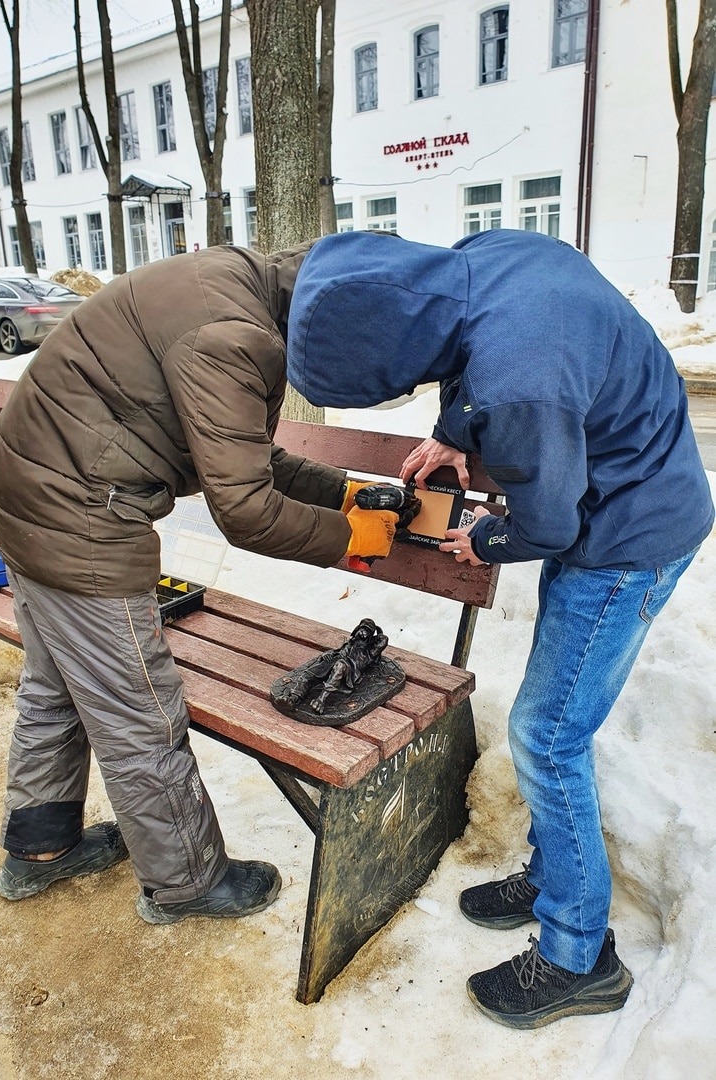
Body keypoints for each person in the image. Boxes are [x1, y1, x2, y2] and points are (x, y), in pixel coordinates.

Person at [285, 227, 714, 1028]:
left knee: (548, 735)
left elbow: (546, 525)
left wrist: (484, 540)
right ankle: (559, 878)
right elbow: (477, 352)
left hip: (630, 538)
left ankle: (577, 955)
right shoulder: (487, 258)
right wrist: (454, 429)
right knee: (550, 725)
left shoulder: (525, 382)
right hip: (616, 501)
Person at [0, 244, 399, 926]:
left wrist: (343, 489)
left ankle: (41, 847)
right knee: (140, 713)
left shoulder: (238, 283)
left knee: (57, 687)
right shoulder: (233, 338)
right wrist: (348, 539)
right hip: (78, 519)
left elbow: (244, 458)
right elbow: (245, 508)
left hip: (31, 496)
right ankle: (188, 881)